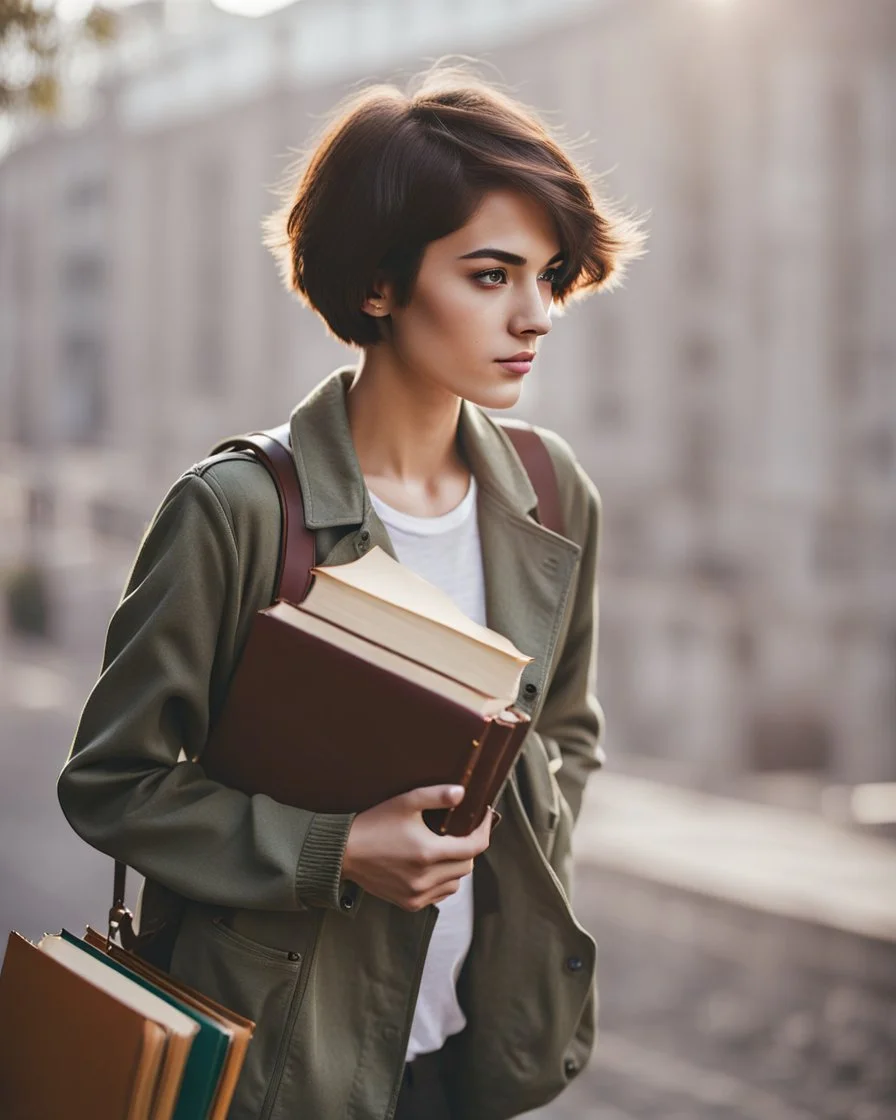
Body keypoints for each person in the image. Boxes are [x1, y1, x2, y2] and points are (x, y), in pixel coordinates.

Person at [57, 66, 644, 1120]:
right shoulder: (236, 510)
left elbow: (567, 730)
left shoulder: (554, 494)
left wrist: (508, 850)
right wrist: (335, 850)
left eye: (547, 275)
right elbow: (111, 782)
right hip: (274, 1064)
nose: (536, 314)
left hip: (464, 1057)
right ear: (378, 284)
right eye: (489, 274)